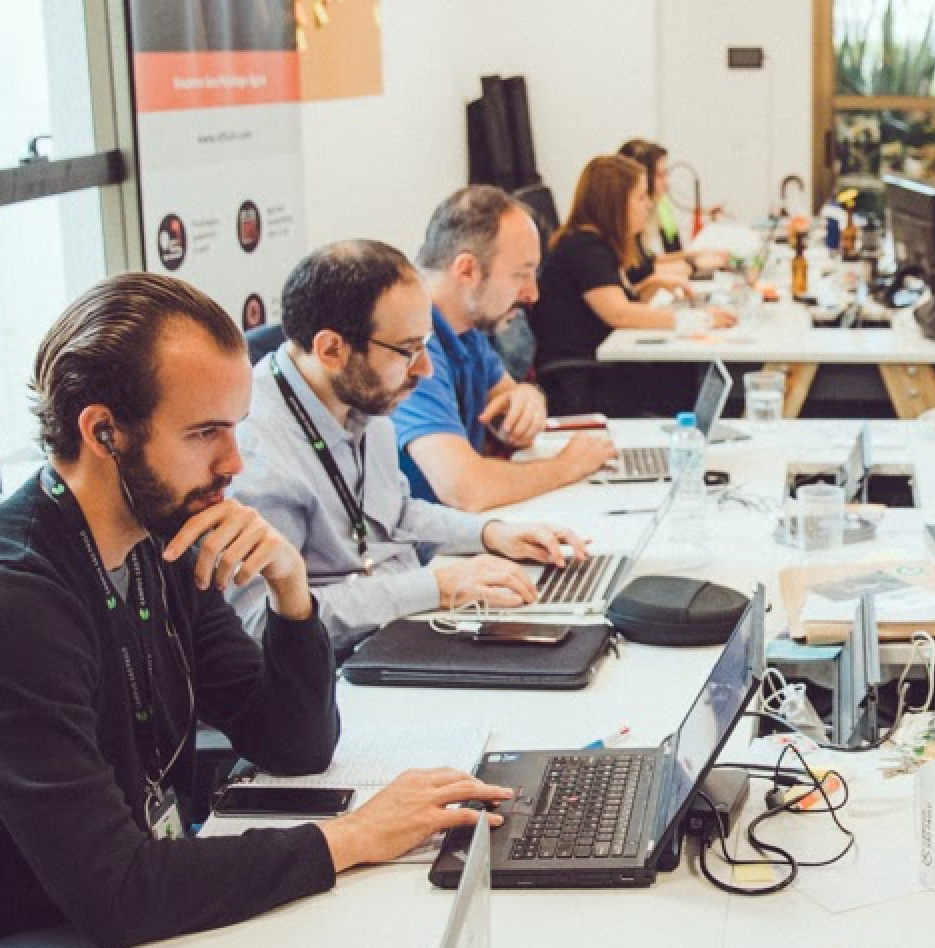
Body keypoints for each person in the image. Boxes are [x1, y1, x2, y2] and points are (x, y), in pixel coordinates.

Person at [0, 273, 511, 945]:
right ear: (105, 433)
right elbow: (116, 891)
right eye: (206, 432)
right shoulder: (22, 601)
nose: (234, 463)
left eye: (236, 428)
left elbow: (292, 744)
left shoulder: (168, 535)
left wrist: (290, 594)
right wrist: (354, 837)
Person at [230, 239, 587, 654]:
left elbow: (396, 512)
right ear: (331, 349)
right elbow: (261, 627)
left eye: (425, 345)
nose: (425, 369)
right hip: (340, 673)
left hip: (399, 628)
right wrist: (435, 587)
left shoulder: (362, 398)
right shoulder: (255, 453)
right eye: (407, 351)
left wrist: (491, 534)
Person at [396, 186, 617, 511]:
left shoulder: (465, 328)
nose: (532, 294)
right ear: (467, 270)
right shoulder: (410, 342)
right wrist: (568, 465)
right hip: (423, 552)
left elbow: (508, 394)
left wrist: (528, 398)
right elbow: (466, 489)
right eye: (521, 275)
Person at [526, 154, 734, 417]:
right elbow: (619, 313)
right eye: (640, 197)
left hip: (600, 368)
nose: (648, 206)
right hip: (583, 381)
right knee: (685, 375)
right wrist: (698, 320)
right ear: (615, 203)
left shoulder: (599, 245)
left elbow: (615, 304)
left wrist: (648, 287)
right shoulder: (586, 249)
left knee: (687, 371)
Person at [616, 138, 724, 287]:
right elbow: (640, 275)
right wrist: (693, 264)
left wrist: (693, 255)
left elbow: (648, 261)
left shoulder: (657, 206)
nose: (667, 182)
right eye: (661, 175)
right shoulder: (626, 218)